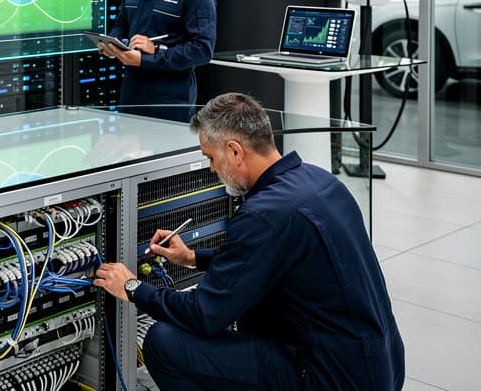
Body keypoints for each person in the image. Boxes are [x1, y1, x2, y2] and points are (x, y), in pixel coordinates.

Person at [92, 92, 404, 391]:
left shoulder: (263, 215)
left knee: (163, 342)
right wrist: (192, 258)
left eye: (211, 158)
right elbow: (266, 260)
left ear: (235, 151)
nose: (212, 168)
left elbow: (204, 315)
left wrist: (133, 288)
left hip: (330, 377)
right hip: (380, 366)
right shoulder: (320, 181)